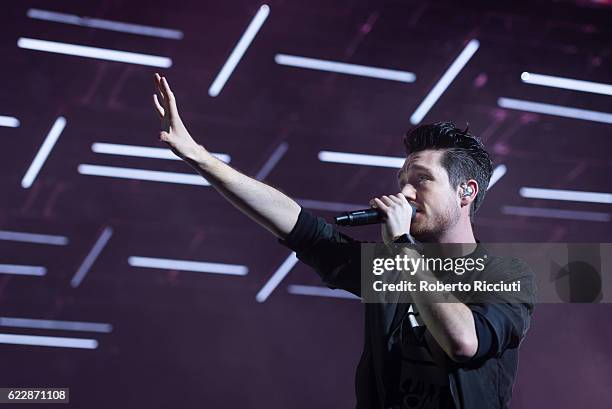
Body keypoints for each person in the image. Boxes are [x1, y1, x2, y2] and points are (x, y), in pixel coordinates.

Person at [152, 73, 535, 409]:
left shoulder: (507, 275)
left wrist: (402, 243)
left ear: (465, 192)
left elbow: (464, 342)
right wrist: (200, 158)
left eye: (421, 179)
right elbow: (300, 227)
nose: (405, 192)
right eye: (401, 181)